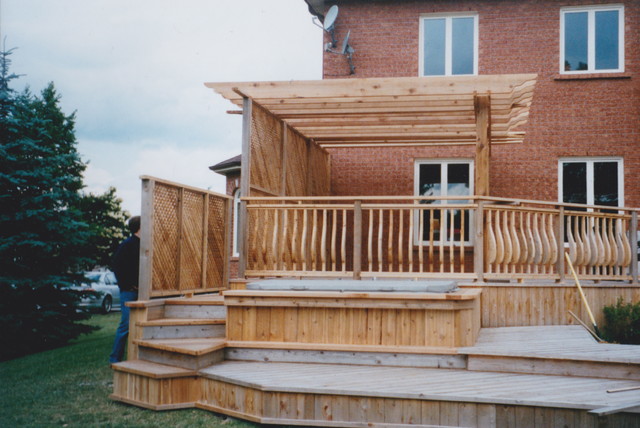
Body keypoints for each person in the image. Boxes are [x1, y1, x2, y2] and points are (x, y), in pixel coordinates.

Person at [109, 216, 141, 364]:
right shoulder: (127, 245)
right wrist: (129, 285)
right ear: (140, 227)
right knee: (126, 325)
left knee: (141, 325)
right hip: (129, 292)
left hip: (143, 292)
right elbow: (117, 267)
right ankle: (115, 358)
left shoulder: (145, 245)